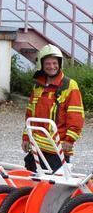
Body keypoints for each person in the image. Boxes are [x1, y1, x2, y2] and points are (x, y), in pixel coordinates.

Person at [22, 44, 84, 172]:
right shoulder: (38, 87)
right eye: (48, 64)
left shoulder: (69, 86)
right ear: (41, 65)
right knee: (33, 183)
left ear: (59, 64)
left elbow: (76, 115)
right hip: (37, 147)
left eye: (54, 63)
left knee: (54, 188)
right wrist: (26, 137)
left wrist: (70, 139)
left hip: (58, 148)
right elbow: (30, 115)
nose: (52, 66)